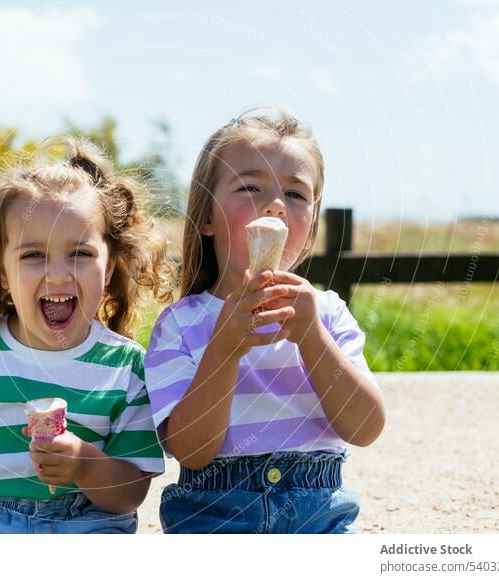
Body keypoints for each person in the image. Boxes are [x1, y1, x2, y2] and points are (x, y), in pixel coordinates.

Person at [0, 140, 173, 534]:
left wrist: (83, 464)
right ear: (3, 271)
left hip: (82, 523)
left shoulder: (124, 368)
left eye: (79, 254)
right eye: (32, 256)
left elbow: (131, 492)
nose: (58, 275)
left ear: (110, 267)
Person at [144, 108, 386, 534]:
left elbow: (365, 427)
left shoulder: (327, 313)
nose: (275, 204)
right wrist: (223, 349)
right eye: (250, 187)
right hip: (213, 515)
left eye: (295, 195)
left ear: (309, 228)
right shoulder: (181, 325)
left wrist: (312, 338)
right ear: (206, 217)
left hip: (319, 516)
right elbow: (190, 451)